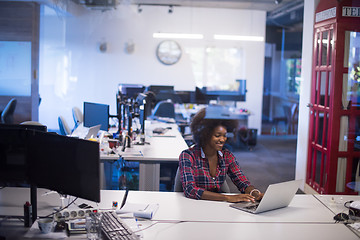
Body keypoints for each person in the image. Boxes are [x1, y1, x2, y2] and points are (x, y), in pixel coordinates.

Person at [178, 107, 264, 203]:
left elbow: (242, 182)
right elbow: (190, 190)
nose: (222, 140)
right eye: (217, 135)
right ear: (205, 134)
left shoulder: (227, 156)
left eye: (225, 135)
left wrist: (255, 193)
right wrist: (227, 198)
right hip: (193, 207)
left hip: (218, 208)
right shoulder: (188, 156)